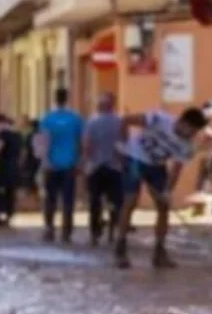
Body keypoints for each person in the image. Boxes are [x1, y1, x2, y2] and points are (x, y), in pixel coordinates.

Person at [113, 106, 210, 269]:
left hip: (156, 166)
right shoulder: (159, 119)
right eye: (191, 131)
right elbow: (126, 120)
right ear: (183, 123)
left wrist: (167, 191)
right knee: (130, 201)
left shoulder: (186, 146)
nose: (192, 135)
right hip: (134, 158)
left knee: (163, 206)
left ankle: (159, 252)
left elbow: (176, 169)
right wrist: (123, 145)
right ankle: (120, 248)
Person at [39, 88, 85, 242]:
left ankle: (49, 228)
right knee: (68, 199)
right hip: (69, 164)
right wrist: (79, 161)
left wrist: (44, 161)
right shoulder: (75, 119)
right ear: (67, 99)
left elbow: (42, 142)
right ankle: (67, 230)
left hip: (51, 164)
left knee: (50, 199)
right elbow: (80, 142)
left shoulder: (47, 119)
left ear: (55, 98)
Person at [82, 92, 125, 245]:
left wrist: (85, 163)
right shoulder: (120, 121)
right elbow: (125, 143)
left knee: (95, 201)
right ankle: (113, 232)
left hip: (96, 167)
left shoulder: (92, 122)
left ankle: (95, 233)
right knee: (116, 201)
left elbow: (87, 145)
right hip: (115, 167)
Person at [0, 114, 23, 223]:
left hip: (1, 168)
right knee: (10, 191)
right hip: (14, 167)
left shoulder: (0, 135)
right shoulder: (17, 136)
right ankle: (9, 214)